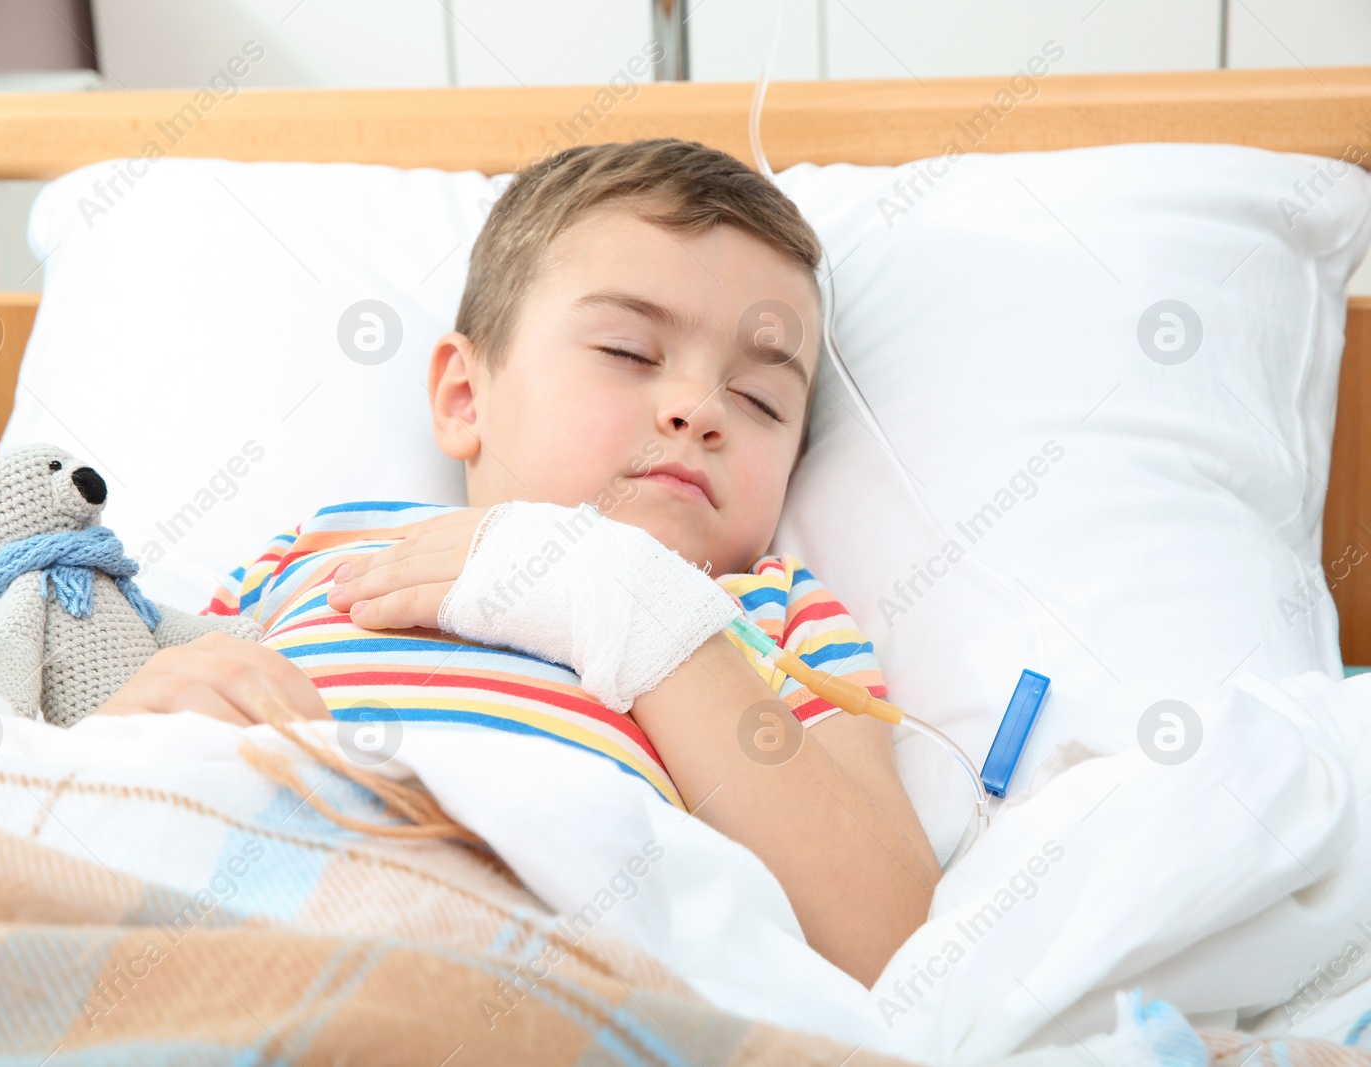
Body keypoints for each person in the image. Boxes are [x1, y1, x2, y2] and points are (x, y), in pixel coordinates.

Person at [99, 138, 939, 987]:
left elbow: (887, 931)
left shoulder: (771, 620)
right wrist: (136, 725)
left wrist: (637, 612)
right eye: (629, 352)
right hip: (238, 922)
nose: (699, 407)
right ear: (466, 398)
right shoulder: (323, 546)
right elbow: (140, 724)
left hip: (539, 975)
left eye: (760, 400)